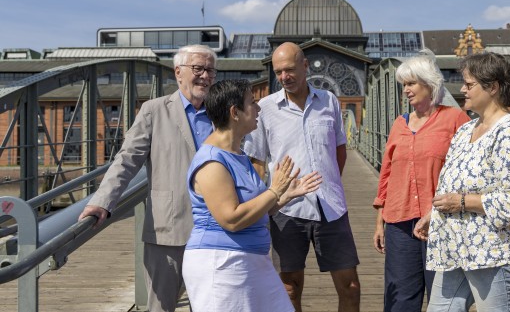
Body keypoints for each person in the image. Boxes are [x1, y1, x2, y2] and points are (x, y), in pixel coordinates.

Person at [78, 44, 217, 312]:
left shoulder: (221, 112)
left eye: (210, 70)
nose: (205, 76)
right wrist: (103, 201)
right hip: (169, 228)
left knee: (212, 305)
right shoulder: (154, 111)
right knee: (161, 306)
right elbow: (127, 160)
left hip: (216, 228)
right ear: (178, 72)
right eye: (198, 68)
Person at [413, 52, 510, 312]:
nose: (462, 90)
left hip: (495, 254)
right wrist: (434, 214)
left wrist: (459, 202)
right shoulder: (465, 130)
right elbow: (452, 184)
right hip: (456, 249)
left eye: (469, 85)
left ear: (492, 87)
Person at [182, 79, 322, 312]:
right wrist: (273, 190)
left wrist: (284, 197)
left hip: (252, 262)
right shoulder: (211, 162)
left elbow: (256, 210)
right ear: (234, 112)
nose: (259, 109)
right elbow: (232, 219)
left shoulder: (239, 154)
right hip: (222, 264)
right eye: (252, 103)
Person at [244, 42, 361, 312]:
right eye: (278, 72)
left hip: (331, 207)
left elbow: (339, 150)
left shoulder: (329, 101)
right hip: (286, 209)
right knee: (289, 289)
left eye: (289, 69)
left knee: (350, 287)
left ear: (305, 66)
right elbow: (257, 163)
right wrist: (265, 204)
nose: (284, 77)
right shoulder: (265, 108)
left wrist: (330, 182)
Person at [372, 49, 470, 312]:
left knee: (443, 298)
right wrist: (379, 222)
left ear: (430, 83)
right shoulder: (399, 124)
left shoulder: (455, 119)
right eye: (404, 85)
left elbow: (470, 168)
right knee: (401, 300)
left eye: (412, 83)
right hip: (399, 222)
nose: (406, 90)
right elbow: (387, 175)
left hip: (441, 221)